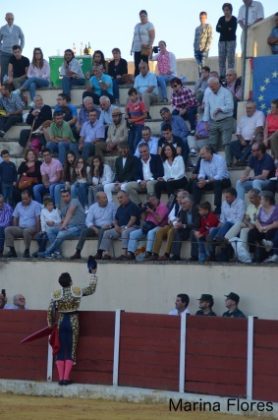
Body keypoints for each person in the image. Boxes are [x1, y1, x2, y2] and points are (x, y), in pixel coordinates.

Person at [47, 268, 98, 385]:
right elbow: (91, 289)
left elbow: (50, 310)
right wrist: (93, 274)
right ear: (70, 281)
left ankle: (60, 379)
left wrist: (51, 324)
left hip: (61, 322)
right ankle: (66, 378)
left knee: (60, 349)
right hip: (73, 321)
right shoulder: (76, 291)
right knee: (71, 349)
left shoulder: (56, 294)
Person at [38, 189, 85, 259]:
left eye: (67, 196)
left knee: (61, 233)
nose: (65, 198)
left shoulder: (74, 201)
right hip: (68, 227)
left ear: (70, 195)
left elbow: (69, 213)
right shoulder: (63, 205)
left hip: (78, 227)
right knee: (50, 230)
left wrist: (63, 226)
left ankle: (47, 252)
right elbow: (63, 219)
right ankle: (58, 252)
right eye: (63, 196)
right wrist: (58, 224)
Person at [70, 191, 116, 260]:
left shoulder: (112, 206)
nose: (106, 199)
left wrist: (110, 225)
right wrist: (94, 228)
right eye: (103, 198)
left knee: (102, 231)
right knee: (84, 231)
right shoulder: (93, 207)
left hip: (108, 227)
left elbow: (115, 219)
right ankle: (78, 252)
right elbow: (88, 221)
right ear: (98, 200)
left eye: (106, 197)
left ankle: (99, 252)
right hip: (96, 227)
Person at [145, 190, 189, 261]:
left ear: (184, 198)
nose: (177, 199)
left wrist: (174, 221)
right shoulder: (176, 205)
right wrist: (174, 221)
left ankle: (167, 254)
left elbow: (183, 220)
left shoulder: (186, 206)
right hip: (172, 224)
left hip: (180, 227)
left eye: (179, 197)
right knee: (160, 231)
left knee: (171, 231)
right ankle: (155, 254)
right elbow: (170, 216)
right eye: (177, 197)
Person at [97, 190, 141, 260]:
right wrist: (116, 226)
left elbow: (133, 219)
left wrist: (126, 227)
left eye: (121, 197)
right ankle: (106, 253)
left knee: (124, 231)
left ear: (126, 196)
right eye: (118, 198)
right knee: (107, 233)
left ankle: (125, 254)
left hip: (133, 227)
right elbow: (115, 220)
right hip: (120, 228)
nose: (119, 200)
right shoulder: (120, 207)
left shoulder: (132, 206)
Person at [123, 194, 169, 260]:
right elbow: (144, 219)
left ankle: (148, 253)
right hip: (147, 227)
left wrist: (151, 211)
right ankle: (131, 253)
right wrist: (144, 211)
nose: (152, 202)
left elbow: (159, 220)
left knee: (150, 233)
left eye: (153, 200)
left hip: (159, 226)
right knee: (132, 234)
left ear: (157, 199)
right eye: (150, 201)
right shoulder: (149, 207)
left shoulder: (162, 207)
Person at [203, 77, 234, 165]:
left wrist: (220, 109)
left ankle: (228, 163)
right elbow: (207, 108)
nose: (211, 89)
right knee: (212, 143)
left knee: (226, 142)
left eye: (212, 87)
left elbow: (230, 107)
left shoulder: (226, 92)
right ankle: (214, 163)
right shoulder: (209, 94)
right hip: (213, 121)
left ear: (217, 84)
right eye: (209, 87)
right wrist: (205, 122)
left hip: (226, 120)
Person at [207, 188, 245, 260]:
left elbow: (239, 219)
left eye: (228, 197)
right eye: (225, 197)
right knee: (212, 231)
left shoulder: (241, 203)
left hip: (235, 227)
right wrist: (218, 227)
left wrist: (225, 224)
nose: (226, 199)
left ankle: (218, 238)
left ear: (234, 196)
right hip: (224, 227)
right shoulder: (224, 203)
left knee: (227, 223)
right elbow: (222, 219)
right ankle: (212, 254)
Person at [192, 145, 231, 215]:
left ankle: (218, 207)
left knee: (217, 182)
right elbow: (201, 173)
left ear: (209, 152)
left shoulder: (219, 159)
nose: (201, 156)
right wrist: (201, 180)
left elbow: (220, 176)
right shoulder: (202, 160)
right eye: (200, 155)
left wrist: (206, 181)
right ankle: (195, 206)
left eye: (203, 154)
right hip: (210, 181)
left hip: (224, 180)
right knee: (196, 184)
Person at [4, 189, 41, 258]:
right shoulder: (19, 205)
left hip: (31, 228)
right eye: (23, 199)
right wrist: (16, 228)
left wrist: (37, 232)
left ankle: (27, 251)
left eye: (26, 199)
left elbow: (37, 219)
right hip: (21, 228)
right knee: (7, 229)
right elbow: (15, 217)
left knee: (26, 231)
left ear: (30, 197)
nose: (24, 200)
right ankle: (12, 251)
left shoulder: (36, 205)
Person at [248, 191, 278, 263]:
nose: (260, 200)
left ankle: (269, 253)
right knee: (251, 233)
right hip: (262, 229)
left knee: (270, 233)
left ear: (267, 200)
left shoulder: (276, 209)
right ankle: (252, 253)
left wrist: (266, 228)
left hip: (271, 229)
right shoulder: (261, 208)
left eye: (261, 199)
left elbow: (276, 223)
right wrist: (260, 228)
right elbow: (257, 220)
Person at [230, 101, 264, 166]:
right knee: (231, 145)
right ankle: (243, 160)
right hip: (243, 140)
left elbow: (259, 128)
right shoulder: (242, 118)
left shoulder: (259, 114)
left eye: (250, 108)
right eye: (247, 108)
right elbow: (238, 132)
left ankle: (241, 160)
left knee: (254, 142)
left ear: (254, 108)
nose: (248, 110)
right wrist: (241, 140)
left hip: (254, 138)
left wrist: (253, 137)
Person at [170, 195, 200, 261]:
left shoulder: (196, 210)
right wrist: (178, 224)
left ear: (190, 203)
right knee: (177, 232)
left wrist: (183, 225)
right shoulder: (183, 211)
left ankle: (194, 256)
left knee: (193, 232)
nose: (182, 205)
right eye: (181, 203)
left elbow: (196, 224)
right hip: (186, 230)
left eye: (184, 203)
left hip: (195, 229)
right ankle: (176, 255)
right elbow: (181, 221)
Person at [0, 13, 25, 83]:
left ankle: (13, 90)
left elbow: (22, 38)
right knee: (4, 72)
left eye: (12, 19)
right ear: (5, 19)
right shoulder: (2, 28)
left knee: (15, 71)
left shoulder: (18, 28)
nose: (10, 20)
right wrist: (1, 49)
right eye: (9, 19)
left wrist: (21, 48)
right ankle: (3, 90)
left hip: (15, 54)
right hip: (4, 53)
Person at [216, 3, 237, 81]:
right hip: (221, 41)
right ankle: (222, 77)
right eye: (224, 10)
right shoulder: (221, 19)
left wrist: (223, 28)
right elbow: (217, 29)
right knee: (221, 59)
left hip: (231, 41)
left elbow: (232, 30)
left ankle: (230, 76)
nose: (226, 12)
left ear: (230, 10)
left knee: (230, 59)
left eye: (227, 10)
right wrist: (226, 28)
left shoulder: (234, 19)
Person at [131, 10, 155, 76]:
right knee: (137, 65)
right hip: (136, 48)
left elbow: (152, 36)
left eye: (143, 16)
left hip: (145, 48)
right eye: (141, 16)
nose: (142, 17)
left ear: (146, 16)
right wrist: (131, 48)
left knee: (145, 64)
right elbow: (134, 37)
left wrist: (149, 46)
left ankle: (148, 78)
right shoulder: (137, 26)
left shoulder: (149, 25)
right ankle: (137, 79)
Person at [125, 87, 147, 154]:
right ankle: (131, 158)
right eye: (131, 95)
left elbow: (145, 115)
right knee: (129, 143)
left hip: (140, 125)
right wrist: (127, 116)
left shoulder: (141, 103)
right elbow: (126, 111)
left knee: (136, 143)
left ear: (137, 95)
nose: (133, 97)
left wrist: (134, 120)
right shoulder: (129, 104)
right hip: (132, 125)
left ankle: (136, 157)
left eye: (134, 95)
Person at [193, 11, 213, 76]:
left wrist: (206, 47)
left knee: (203, 65)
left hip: (204, 49)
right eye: (201, 18)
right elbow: (195, 39)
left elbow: (210, 37)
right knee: (199, 66)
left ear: (206, 18)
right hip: (197, 49)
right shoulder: (197, 28)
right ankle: (201, 79)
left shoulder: (208, 26)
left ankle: (205, 79)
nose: (202, 19)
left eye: (203, 18)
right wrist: (194, 49)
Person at [263, 99, 278, 163]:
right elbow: (266, 128)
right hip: (269, 134)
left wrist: (268, 138)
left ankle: (276, 158)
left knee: (273, 138)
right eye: (271, 107)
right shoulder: (269, 116)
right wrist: (265, 138)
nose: (271, 109)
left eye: (273, 107)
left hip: (276, 134)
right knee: (259, 141)